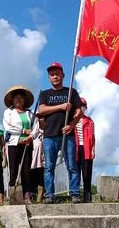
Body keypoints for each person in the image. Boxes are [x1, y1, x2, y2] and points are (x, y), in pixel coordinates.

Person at [38, 62, 82, 204]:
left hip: (67, 135)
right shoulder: (45, 94)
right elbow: (41, 110)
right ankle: (50, 195)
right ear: (49, 78)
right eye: (52, 74)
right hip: (49, 135)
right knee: (49, 166)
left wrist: (71, 125)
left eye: (57, 74)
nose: (55, 76)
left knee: (72, 166)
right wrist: (61, 107)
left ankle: (75, 193)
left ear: (63, 75)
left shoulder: (71, 92)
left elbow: (79, 111)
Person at [3, 86, 38, 205]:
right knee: (13, 169)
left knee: (26, 171)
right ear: (13, 100)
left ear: (24, 100)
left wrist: (30, 136)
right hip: (13, 143)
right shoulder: (8, 112)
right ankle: (12, 194)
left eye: (21, 98)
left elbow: (35, 128)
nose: (19, 100)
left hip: (27, 144)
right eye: (16, 98)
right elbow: (8, 127)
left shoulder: (30, 113)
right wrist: (23, 132)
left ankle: (27, 195)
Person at [75, 97, 95, 203]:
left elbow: (93, 136)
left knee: (87, 173)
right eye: (79, 106)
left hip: (87, 148)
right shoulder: (71, 120)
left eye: (83, 106)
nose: (81, 108)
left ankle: (87, 197)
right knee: (75, 172)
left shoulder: (90, 121)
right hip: (75, 149)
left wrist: (93, 150)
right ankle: (76, 195)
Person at [31, 115, 45, 203]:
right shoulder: (34, 132)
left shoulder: (49, 131)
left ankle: (40, 198)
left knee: (41, 177)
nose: (41, 119)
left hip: (43, 160)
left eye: (43, 117)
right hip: (33, 159)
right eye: (39, 118)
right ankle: (32, 196)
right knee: (33, 177)